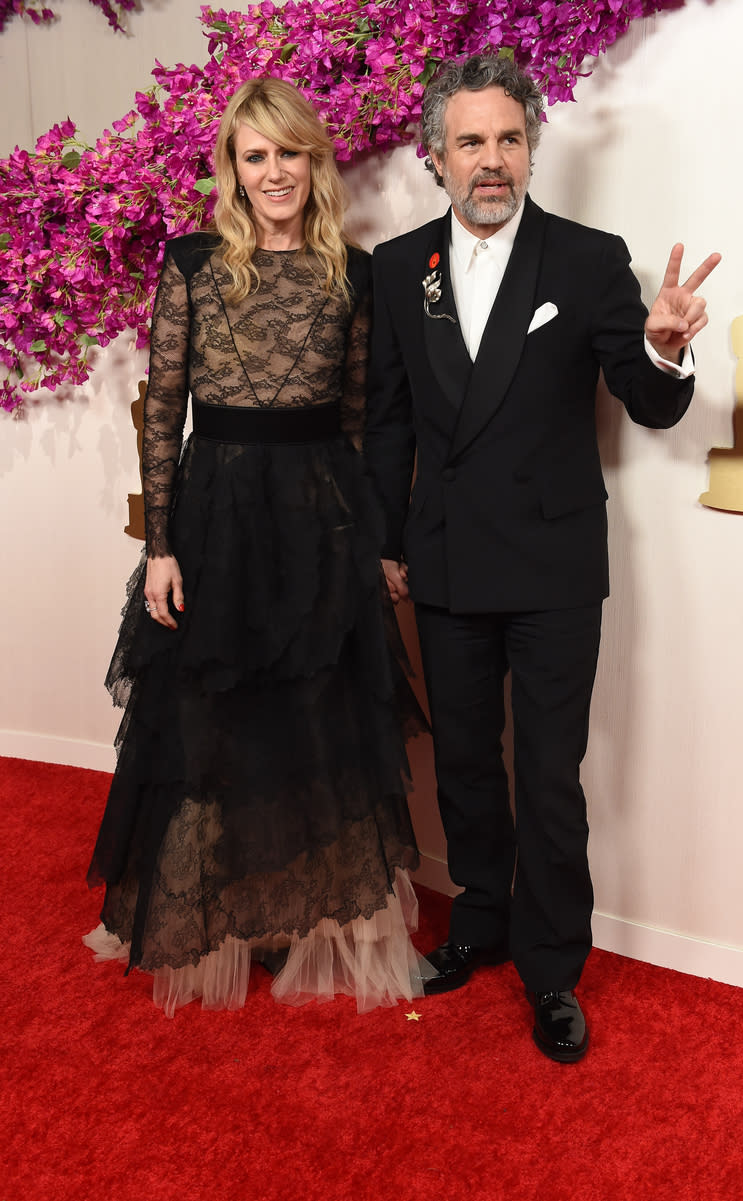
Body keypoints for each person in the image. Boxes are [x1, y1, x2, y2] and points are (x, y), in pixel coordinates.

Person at [365, 54, 720, 1062]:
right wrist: (385, 541)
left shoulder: (586, 259)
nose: (491, 160)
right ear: (436, 157)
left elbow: (647, 404)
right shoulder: (398, 269)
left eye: (507, 139)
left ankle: (552, 966)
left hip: (555, 565)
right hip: (444, 562)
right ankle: (477, 924)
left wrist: (659, 347)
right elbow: (389, 423)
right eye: (469, 141)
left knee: (550, 779)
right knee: (467, 765)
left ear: (529, 147)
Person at [85, 76, 429, 1017]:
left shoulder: (353, 274)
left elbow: (360, 421)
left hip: (320, 515)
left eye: (289, 153)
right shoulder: (194, 262)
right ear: (232, 169)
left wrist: (373, 542)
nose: (274, 171)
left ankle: (304, 914)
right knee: (211, 718)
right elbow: (162, 409)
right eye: (255, 155)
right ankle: (222, 910)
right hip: (217, 514)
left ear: (315, 162)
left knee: (317, 714)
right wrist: (161, 543)